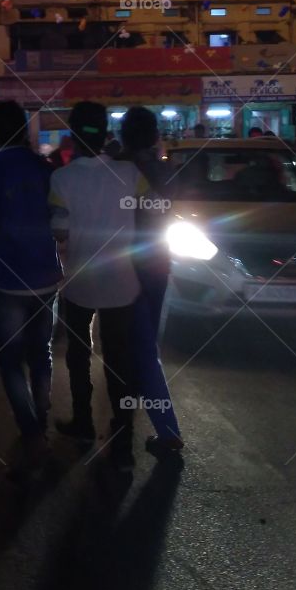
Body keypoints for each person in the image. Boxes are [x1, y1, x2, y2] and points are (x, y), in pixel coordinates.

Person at [48, 101, 142, 472]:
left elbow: (59, 231)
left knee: (78, 355)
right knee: (120, 362)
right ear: (106, 134)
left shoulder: (62, 179)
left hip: (80, 283)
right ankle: (123, 445)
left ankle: (83, 424)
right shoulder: (130, 172)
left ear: (72, 135)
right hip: (123, 283)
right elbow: (153, 212)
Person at [0, 101, 61, 475]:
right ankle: (41, 415)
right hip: (46, 276)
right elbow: (58, 219)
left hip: (8, 278)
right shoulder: (44, 168)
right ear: (23, 130)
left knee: (10, 359)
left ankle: (31, 431)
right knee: (41, 351)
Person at [120, 107, 183, 456]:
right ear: (155, 135)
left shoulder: (118, 169)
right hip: (158, 262)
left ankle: (166, 430)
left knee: (136, 347)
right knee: (143, 342)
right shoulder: (164, 170)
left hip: (125, 265)